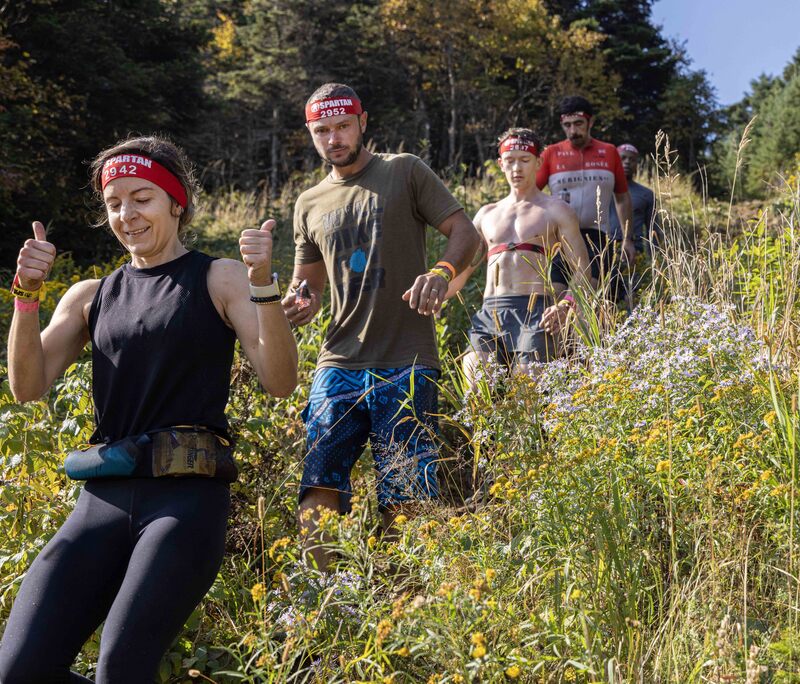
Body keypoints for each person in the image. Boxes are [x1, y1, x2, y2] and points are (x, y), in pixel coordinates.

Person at [0, 135, 298, 683]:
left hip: (185, 503)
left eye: (142, 198)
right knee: (17, 669)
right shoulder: (91, 295)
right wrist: (27, 295)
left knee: (121, 667)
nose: (126, 214)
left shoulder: (219, 278)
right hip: (101, 500)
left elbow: (280, 381)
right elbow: (27, 385)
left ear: (174, 203)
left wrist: (264, 288)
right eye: (114, 202)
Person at [281, 83, 480, 570]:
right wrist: (296, 302)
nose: (334, 137)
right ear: (310, 133)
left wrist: (441, 274)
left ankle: (400, 601)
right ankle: (321, 602)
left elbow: (466, 233)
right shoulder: (308, 202)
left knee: (406, 496)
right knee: (318, 486)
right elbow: (306, 285)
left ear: (362, 122)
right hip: (338, 363)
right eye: (322, 130)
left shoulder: (403, 171)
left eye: (343, 125)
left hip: (406, 362)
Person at [446, 128, 591, 389]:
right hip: (490, 313)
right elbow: (464, 272)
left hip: (537, 312)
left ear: (538, 162)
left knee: (528, 398)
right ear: (501, 164)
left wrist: (565, 304)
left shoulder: (556, 210)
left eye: (524, 160)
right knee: (477, 391)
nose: (517, 167)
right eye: (510, 160)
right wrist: (435, 295)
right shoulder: (485, 214)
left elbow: (583, 271)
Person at [536, 96, 634, 290]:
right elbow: (530, 195)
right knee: (557, 295)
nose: (573, 131)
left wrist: (627, 239)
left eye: (579, 124)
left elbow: (622, 198)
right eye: (567, 125)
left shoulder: (609, 151)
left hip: (597, 237)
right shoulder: (551, 153)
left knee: (586, 295)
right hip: (560, 237)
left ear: (591, 122)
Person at [609, 143, 658, 253]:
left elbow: (653, 230)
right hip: (604, 249)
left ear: (636, 164)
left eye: (632, 160)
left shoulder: (646, 194)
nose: (627, 162)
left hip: (635, 250)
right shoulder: (603, 190)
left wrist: (654, 260)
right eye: (623, 158)